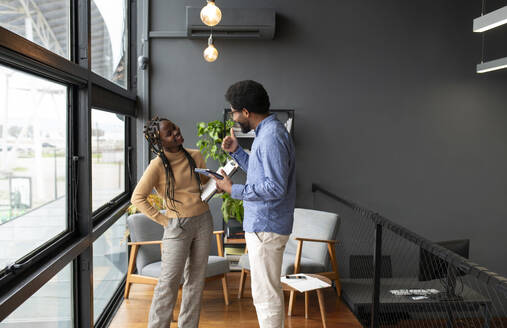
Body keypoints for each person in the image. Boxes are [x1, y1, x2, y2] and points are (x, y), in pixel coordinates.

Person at [212, 80, 296, 328]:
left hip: (266, 227)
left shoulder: (270, 138)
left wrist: (232, 188)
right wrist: (237, 152)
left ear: (246, 111)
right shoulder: (268, 134)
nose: (235, 118)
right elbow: (262, 176)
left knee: (266, 295)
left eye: (235, 112)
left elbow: (275, 187)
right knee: (266, 292)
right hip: (265, 225)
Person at [130, 117, 213, 328]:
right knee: (168, 283)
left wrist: (217, 183)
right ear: (161, 141)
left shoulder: (195, 155)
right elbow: (137, 197)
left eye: (175, 127)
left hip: (203, 220)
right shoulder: (157, 165)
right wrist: (165, 221)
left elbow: (203, 186)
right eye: (169, 133)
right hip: (177, 226)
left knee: (195, 281)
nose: (176, 133)